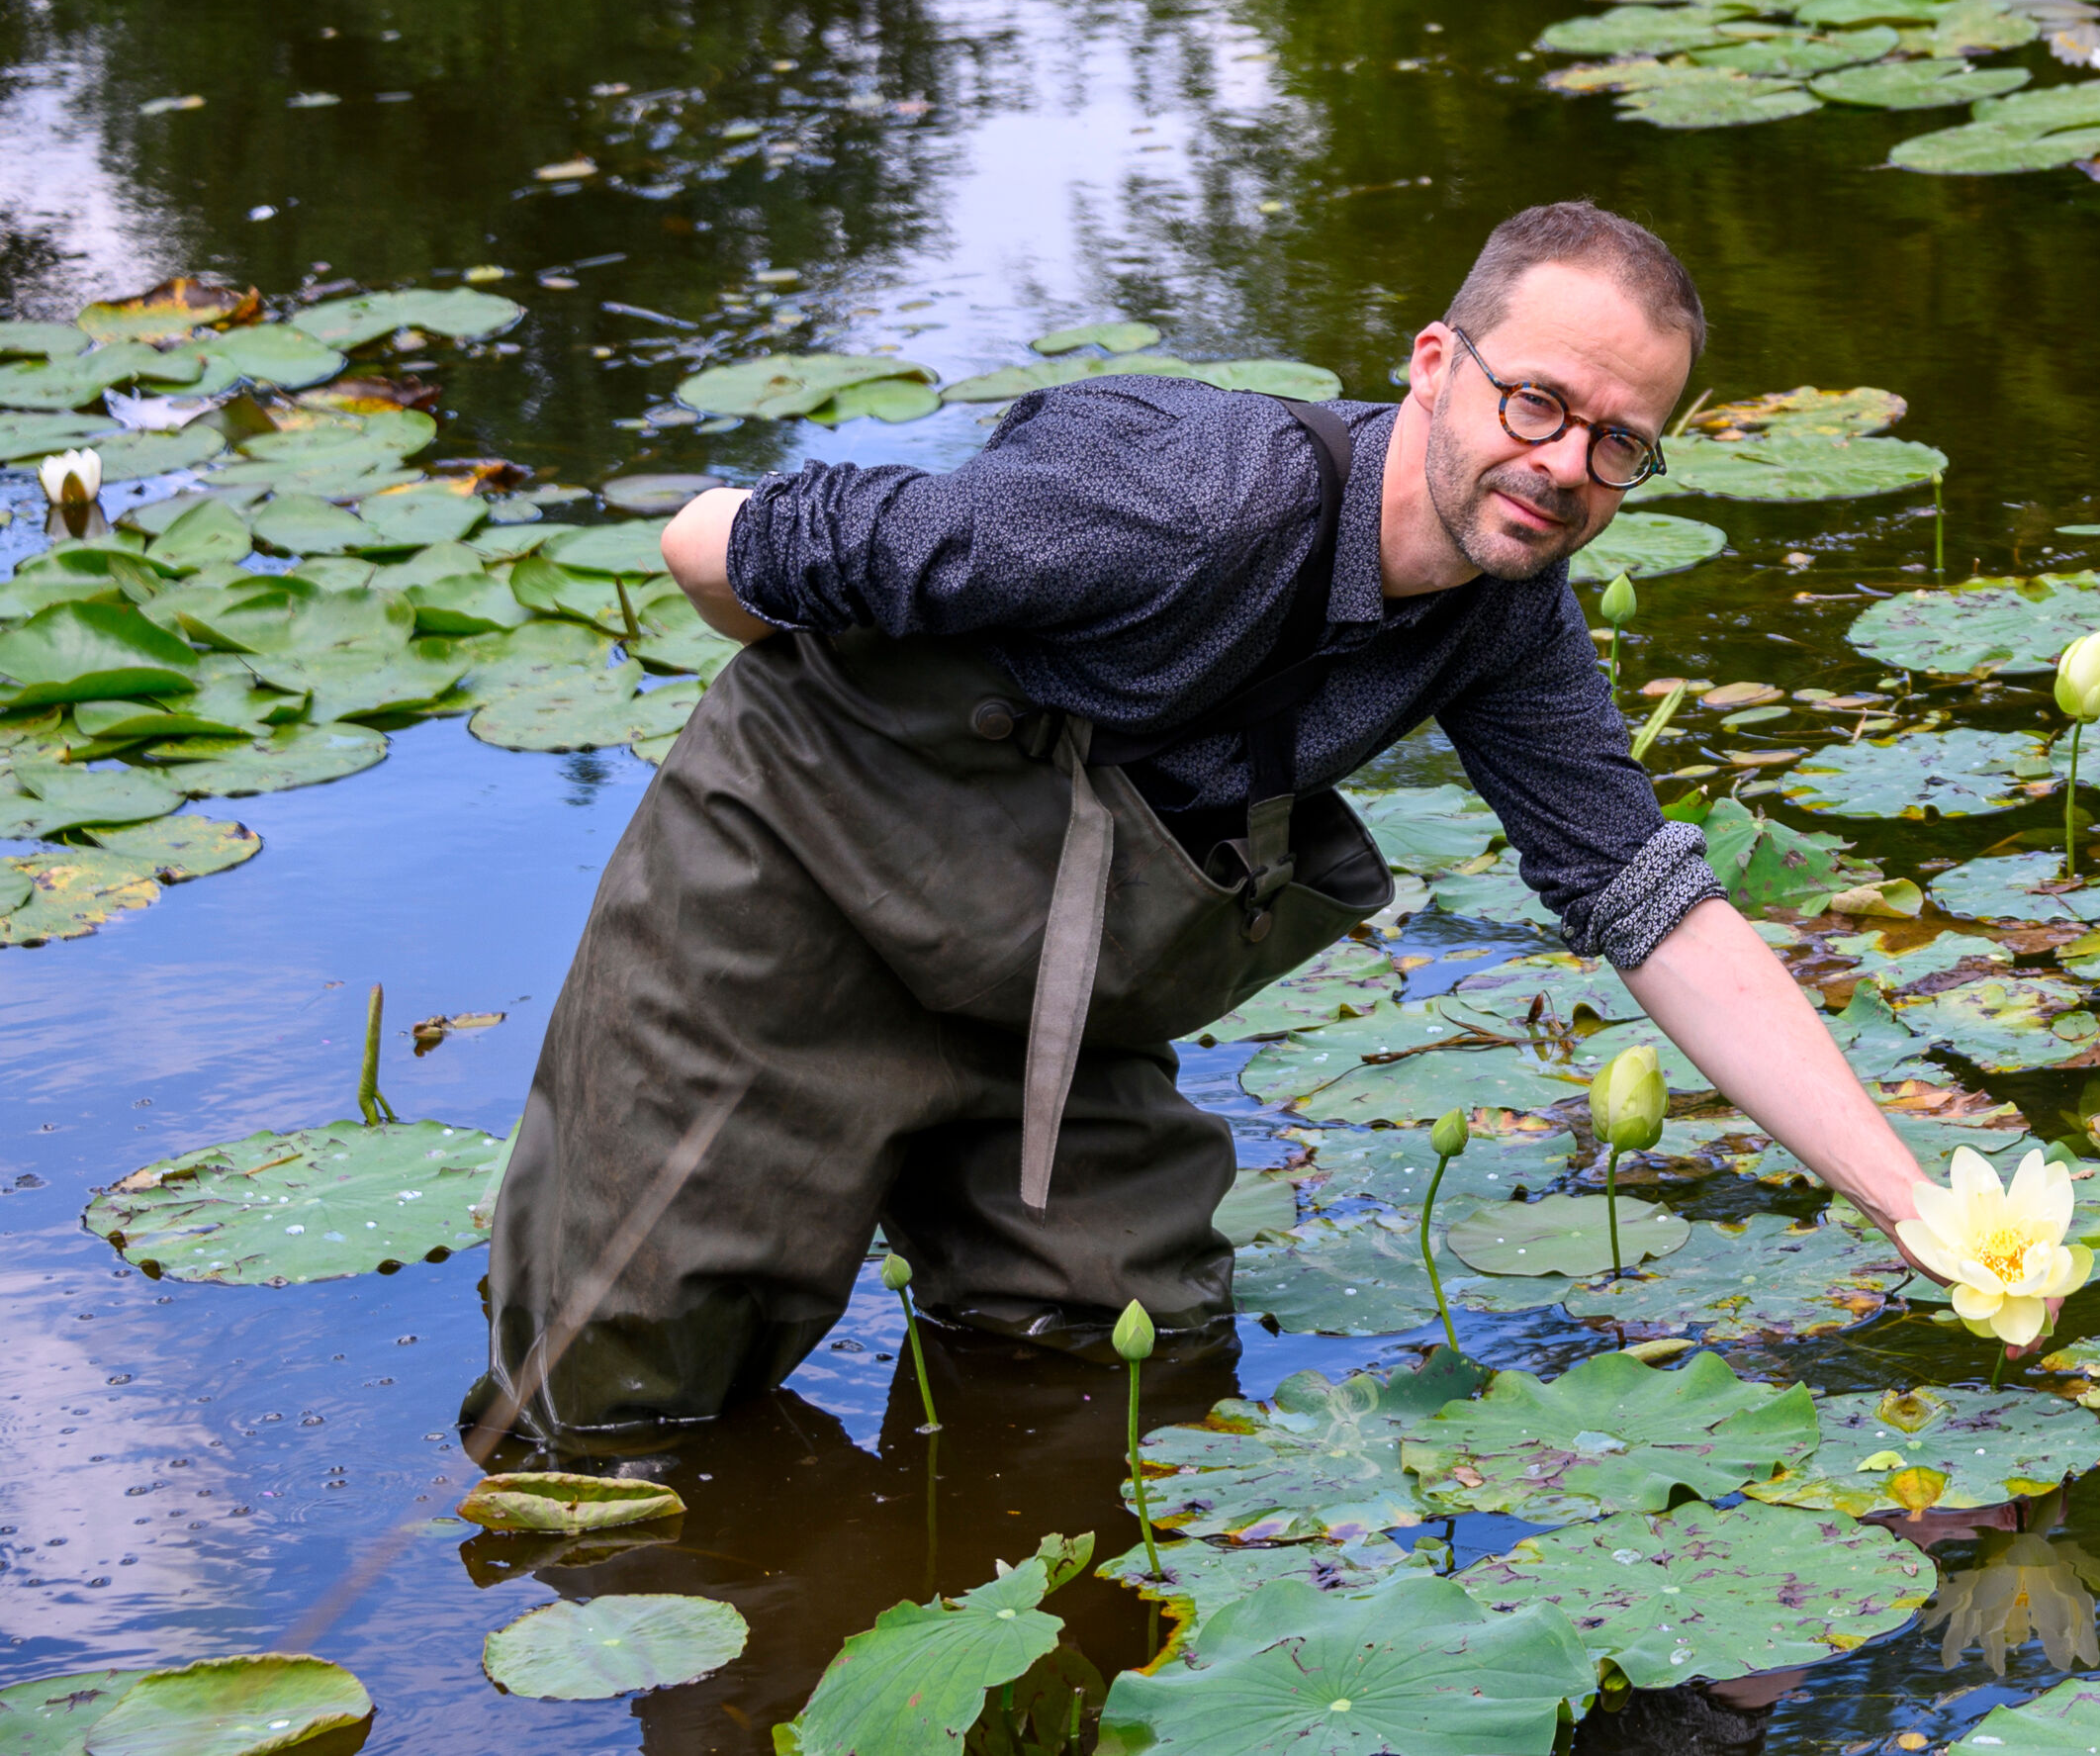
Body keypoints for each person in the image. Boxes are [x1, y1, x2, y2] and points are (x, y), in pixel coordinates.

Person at [465, 200, 1933, 1443]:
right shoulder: (1182, 500)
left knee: (1125, 1350)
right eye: (1537, 403)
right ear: (1437, 365)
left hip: (1046, 964)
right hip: (796, 886)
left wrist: (1911, 1204)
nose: (1563, 466)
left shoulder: (1509, 621)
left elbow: (1647, 901)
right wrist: (852, 717)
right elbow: (720, 541)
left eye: (1620, 443)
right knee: (615, 1393)